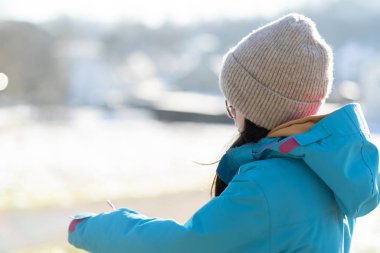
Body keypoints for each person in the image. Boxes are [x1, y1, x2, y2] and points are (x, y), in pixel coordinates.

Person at [67, 13, 380, 253]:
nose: (232, 112)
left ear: (256, 107)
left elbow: (184, 246)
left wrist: (105, 227)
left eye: (234, 103)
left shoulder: (268, 185)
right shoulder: (329, 171)